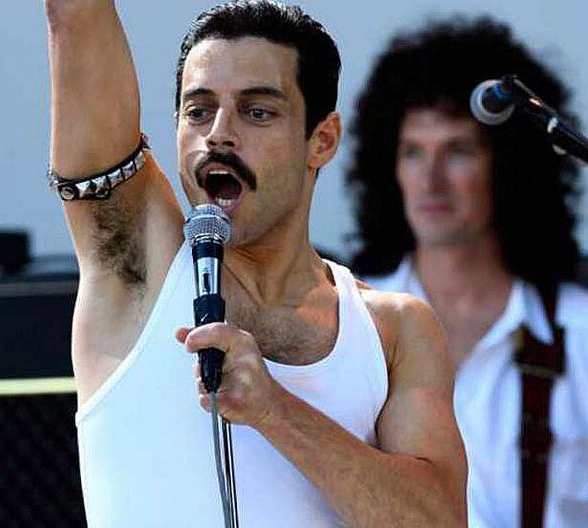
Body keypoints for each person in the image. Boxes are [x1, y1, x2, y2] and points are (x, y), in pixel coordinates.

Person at [43, 1, 467, 526]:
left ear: (322, 140)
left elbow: (438, 520)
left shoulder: (393, 328)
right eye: (198, 111)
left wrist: (274, 410)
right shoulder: (137, 268)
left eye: (257, 111)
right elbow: (75, 14)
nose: (219, 134)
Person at [346, 16, 588, 527]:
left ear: (509, 167)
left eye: (458, 150)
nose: (431, 178)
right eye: (412, 152)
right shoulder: (347, 327)